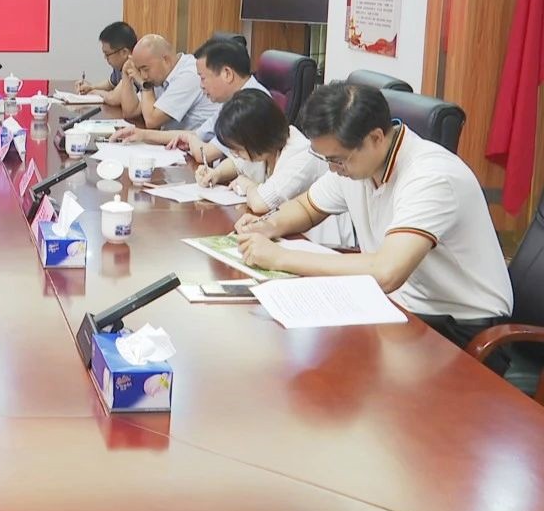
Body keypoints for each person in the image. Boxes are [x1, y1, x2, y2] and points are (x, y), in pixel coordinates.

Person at [235, 83, 513, 365]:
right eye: (326, 159)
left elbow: (386, 272)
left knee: (332, 374)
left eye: (337, 160)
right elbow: (307, 207)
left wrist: (280, 257)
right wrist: (268, 226)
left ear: (376, 138)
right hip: (397, 308)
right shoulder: (358, 164)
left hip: (460, 329)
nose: (332, 169)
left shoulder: (431, 177)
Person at [199, 89, 353, 246]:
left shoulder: (303, 153)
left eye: (238, 149)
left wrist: (248, 185)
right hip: (289, 230)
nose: (235, 154)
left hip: (323, 241)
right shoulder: (265, 150)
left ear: (257, 138)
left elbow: (261, 203)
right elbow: (236, 163)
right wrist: (216, 173)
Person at [113, 36, 266, 154]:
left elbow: (206, 153)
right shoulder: (233, 100)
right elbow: (197, 135)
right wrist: (141, 134)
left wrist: (191, 142)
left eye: (203, 78)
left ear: (227, 74)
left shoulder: (251, 105)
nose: (201, 85)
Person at [111, 34, 220, 134]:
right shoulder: (162, 75)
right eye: (139, 70)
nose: (143, 75)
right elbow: (130, 112)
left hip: (199, 144)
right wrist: (126, 75)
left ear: (166, 60)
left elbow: (151, 121)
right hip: (175, 141)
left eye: (145, 69)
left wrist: (145, 85)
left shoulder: (189, 74)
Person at [74, 21, 138, 110]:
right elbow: (111, 83)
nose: (105, 58)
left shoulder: (134, 66)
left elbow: (113, 99)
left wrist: (95, 92)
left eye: (107, 54)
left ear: (124, 52)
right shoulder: (120, 66)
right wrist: (91, 87)